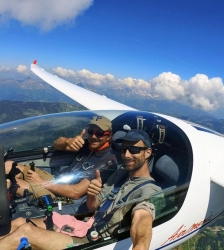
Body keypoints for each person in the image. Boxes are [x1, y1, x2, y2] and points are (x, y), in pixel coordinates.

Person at [0, 129, 161, 250]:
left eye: (133, 150)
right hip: (83, 225)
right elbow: (93, 206)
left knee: (26, 232)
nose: (126, 154)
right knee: (19, 222)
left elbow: (142, 220)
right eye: (124, 149)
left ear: (147, 153)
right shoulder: (121, 173)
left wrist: (140, 247)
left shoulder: (148, 189)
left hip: (92, 241)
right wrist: (92, 193)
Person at [5, 115, 118, 200]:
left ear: (109, 136)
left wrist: (41, 182)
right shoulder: (87, 144)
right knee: (8, 165)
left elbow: (76, 192)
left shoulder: (108, 161)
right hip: (57, 180)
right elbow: (56, 144)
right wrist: (68, 142)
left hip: (63, 195)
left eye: (99, 133)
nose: (93, 136)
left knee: (11, 185)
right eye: (91, 131)